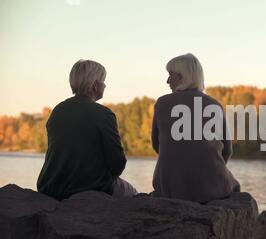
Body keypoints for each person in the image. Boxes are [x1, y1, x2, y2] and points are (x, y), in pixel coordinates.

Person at [37, 59, 137, 201]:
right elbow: (117, 164)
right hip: (89, 188)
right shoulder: (104, 114)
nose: (105, 85)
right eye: (103, 81)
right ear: (95, 85)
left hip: (51, 187)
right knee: (133, 193)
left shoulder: (58, 110)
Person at [151, 53, 240, 203]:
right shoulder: (214, 105)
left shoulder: (162, 103)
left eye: (170, 75)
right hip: (212, 188)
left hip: (169, 188)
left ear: (181, 77)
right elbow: (227, 150)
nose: (167, 81)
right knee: (235, 187)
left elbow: (157, 145)